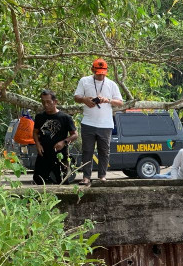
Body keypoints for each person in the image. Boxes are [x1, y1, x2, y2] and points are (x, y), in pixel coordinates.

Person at [73, 58, 124, 186]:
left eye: (103, 73)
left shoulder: (112, 84)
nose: (100, 76)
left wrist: (107, 100)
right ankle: (86, 177)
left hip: (105, 124)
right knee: (87, 150)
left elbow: (120, 102)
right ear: (92, 70)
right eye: (98, 73)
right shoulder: (84, 81)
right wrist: (85, 99)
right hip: (88, 122)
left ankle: (102, 176)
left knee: (104, 151)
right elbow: (76, 97)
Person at [32, 89, 78, 185]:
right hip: (43, 154)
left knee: (62, 181)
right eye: (43, 102)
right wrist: (38, 144)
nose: (46, 104)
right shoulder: (39, 117)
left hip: (60, 156)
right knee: (38, 180)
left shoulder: (65, 118)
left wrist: (64, 142)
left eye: (48, 102)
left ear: (55, 102)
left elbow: (75, 135)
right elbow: (35, 132)